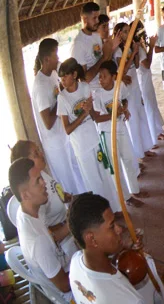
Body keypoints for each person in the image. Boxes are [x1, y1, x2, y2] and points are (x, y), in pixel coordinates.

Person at [56, 58, 122, 214]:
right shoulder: (62, 98)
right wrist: (83, 113)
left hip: (94, 139)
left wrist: (90, 110)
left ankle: (115, 208)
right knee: (93, 181)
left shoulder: (85, 87)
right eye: (61, 78)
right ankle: (101, 215)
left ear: (74, 74)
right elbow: (67, 129)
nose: (63, 80)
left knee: (105, 175)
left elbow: (93, 116)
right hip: (82, 146)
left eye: (65, 76)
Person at [8, 158, 72, 297]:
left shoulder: (26, 211)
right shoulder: (38, 241)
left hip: (62, 262)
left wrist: (70, 223)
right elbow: (65, 286)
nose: (44, 183)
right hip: (70, 295)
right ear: (25, 195)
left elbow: (51, 237)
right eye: (38, 180)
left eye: (41, 177)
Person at [30, 38, 84, 194]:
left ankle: (86, 202)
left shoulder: (53, 74)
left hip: (63, 136)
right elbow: (47, 122)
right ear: (47, 59)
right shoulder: (40, 85)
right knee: (67, 181)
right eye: (56, 55)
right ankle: (75, 211)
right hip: (55, 143)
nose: (58, 59)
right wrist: (61, 98)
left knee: (77, 173)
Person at [91, 61, 147, 207]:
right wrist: (116, 114)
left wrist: (125, 109)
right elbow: (97, 118)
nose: (101, 79)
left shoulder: (119, 86)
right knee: (115, 167)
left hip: (121, 128)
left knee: (128, 158)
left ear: (113, 76)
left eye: (104, 76)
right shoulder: (98, 94)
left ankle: (135, 190)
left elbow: (124, 99)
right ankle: (125, 197)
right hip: (107, 132)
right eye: (99, 77)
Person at [9, 141, 77, 258]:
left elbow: (53, 191)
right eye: (36, 154)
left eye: (39, 150)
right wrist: (73, 221)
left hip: (68, 228)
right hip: (65, 246)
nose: (42, 154)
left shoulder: (41, 175)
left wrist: (63, 196)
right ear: (26, 163)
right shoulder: (38, 197)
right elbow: (50, 237)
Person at [113, 23, 156, 161]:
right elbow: (123, 70)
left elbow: (137, 65)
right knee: (133, 121)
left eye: (129, 31)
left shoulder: (129, 46)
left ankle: (145, 147)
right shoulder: (118, 51)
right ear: (119, 34)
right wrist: (132, 55)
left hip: (135, 84)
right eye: (125, 32)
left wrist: (135, 51)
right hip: (127, 89)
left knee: (141, 115)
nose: (128, 34)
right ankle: (138, 154)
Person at [71, 2, 117, 89]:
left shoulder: (96, 36)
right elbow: (83, 79)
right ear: (85, 20)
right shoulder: (78, 44)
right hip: (93, 93)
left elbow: (105, 60)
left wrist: (110, 49)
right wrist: (103, 57)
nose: (97, 21)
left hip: (104, 88)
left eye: (98, 18)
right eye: (94, 18)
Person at [135, 25, 164, 142]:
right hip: (142, 83)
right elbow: (147, 64)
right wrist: (152, 46)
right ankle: (154, 134)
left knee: (152, 105)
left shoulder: (140, 46)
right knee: (149, 107)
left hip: (146, 80)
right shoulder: (138, 49)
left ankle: (158, 130)